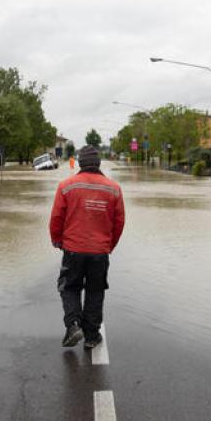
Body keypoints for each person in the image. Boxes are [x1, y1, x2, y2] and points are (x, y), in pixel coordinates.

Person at [49, 145, 125, 349]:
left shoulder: (66, 186)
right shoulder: (113, 188)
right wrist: (109, 245)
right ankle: (92, 336)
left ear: (80, 164)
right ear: (98, 163)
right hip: (100, 251)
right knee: (95, 291)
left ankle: (73, 325)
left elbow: (57, 217)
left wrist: (57, 240)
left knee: (70, 287)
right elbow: (119, 223)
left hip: (73, 249)